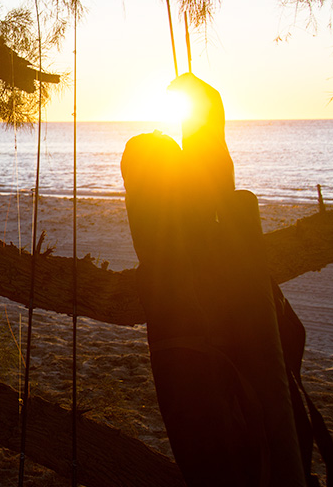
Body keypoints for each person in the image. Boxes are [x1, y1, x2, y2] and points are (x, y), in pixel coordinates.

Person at [121, 74, 310, 486]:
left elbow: (210, 184)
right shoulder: (208, 243)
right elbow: (215, 182)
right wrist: (205, 107)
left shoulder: (159, 267)